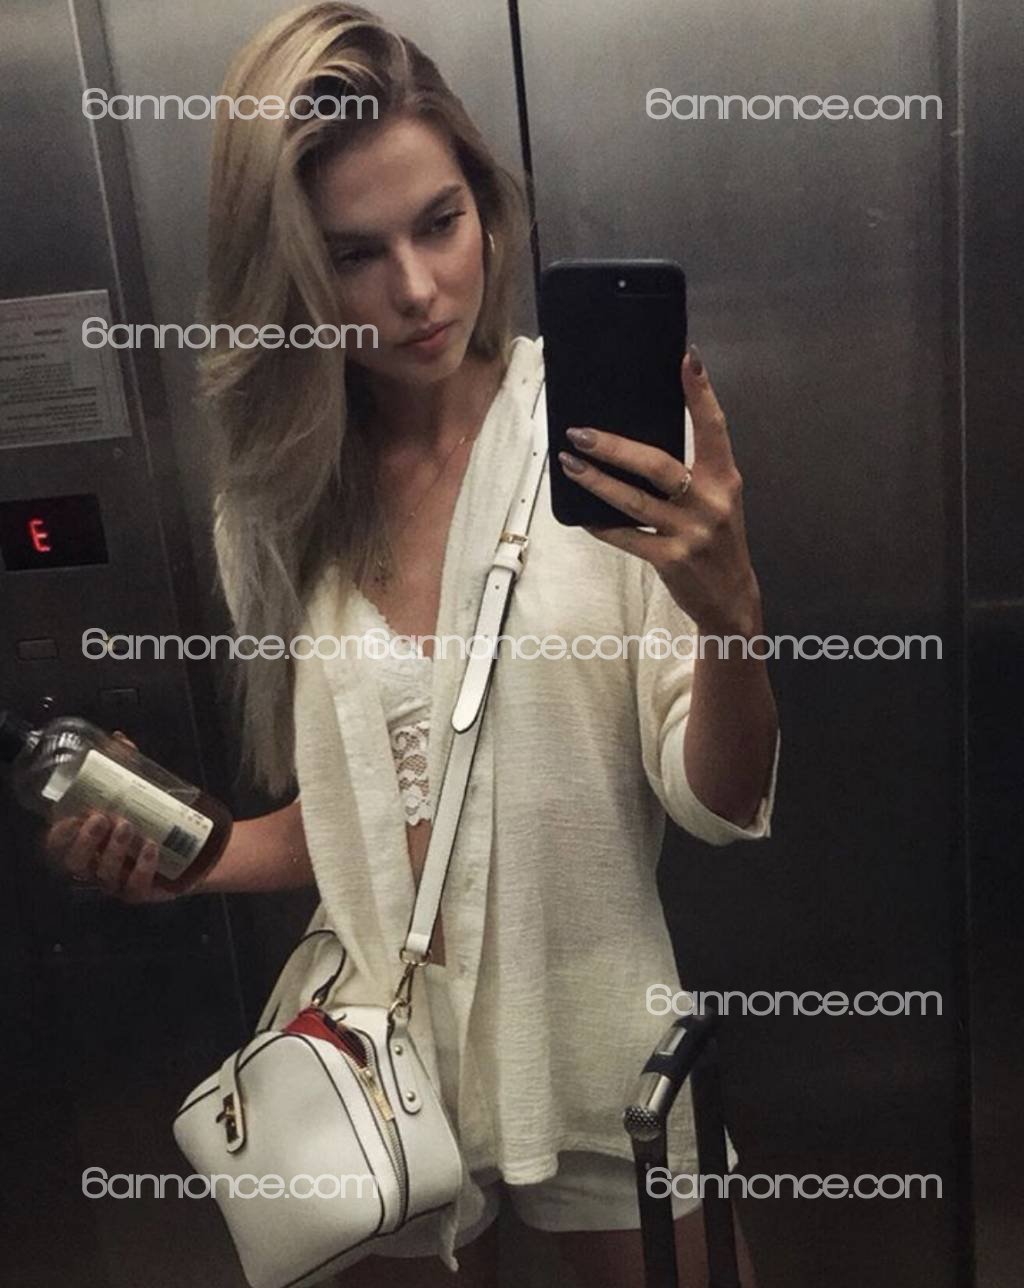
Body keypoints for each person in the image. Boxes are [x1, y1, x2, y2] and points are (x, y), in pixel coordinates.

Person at [45, 4, 780, 1285]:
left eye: (440, 222)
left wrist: (731, 618)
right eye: (353, 254)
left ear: (485, 207)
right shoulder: (276, 501)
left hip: (595, 1046)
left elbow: (715, 803)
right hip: (372, 1076)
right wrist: (190, 856)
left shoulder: (601, 446)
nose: (418, 289)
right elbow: (363, 821)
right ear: (289, 270)